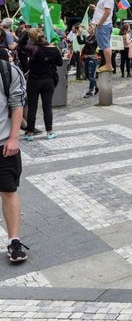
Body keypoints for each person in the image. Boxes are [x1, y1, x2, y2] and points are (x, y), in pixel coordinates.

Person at [0, 56, 28, 262]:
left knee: (9, 192)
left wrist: (13, 138)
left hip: (3, 144)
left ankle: (14, 241)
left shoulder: (8, 71)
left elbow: (17, 102)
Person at [24, 28, 62, 140]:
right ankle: (49, 132)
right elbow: (60, 63)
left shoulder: (31, 48)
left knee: (32, 107)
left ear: (32, 38)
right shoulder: (53, 49)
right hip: (48, 80)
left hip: (33, 81)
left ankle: (30, 133)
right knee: (47, 106)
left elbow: (21, 46)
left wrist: (28, 35)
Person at [89, 0, 114, 72]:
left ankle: (108, 64)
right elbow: (102, 10)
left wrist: (100, 23)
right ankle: (107, 64)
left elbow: (107, 12)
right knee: (103, 45)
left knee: (105, 45)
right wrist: (95, 8)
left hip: (104, 25)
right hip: (102, 24)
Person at [78, 24, 99, 98]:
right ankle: (96, 86)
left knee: (91, 75)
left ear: (93, 30)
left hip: (92, 58)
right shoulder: (88, 37)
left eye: (90, 28)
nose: (88, 29)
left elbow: (89, 44)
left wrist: (83, 35)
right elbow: (80, 42)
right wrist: (78, 34)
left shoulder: (96, 37)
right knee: (87, 75)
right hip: (86, 57)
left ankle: (90, 91)